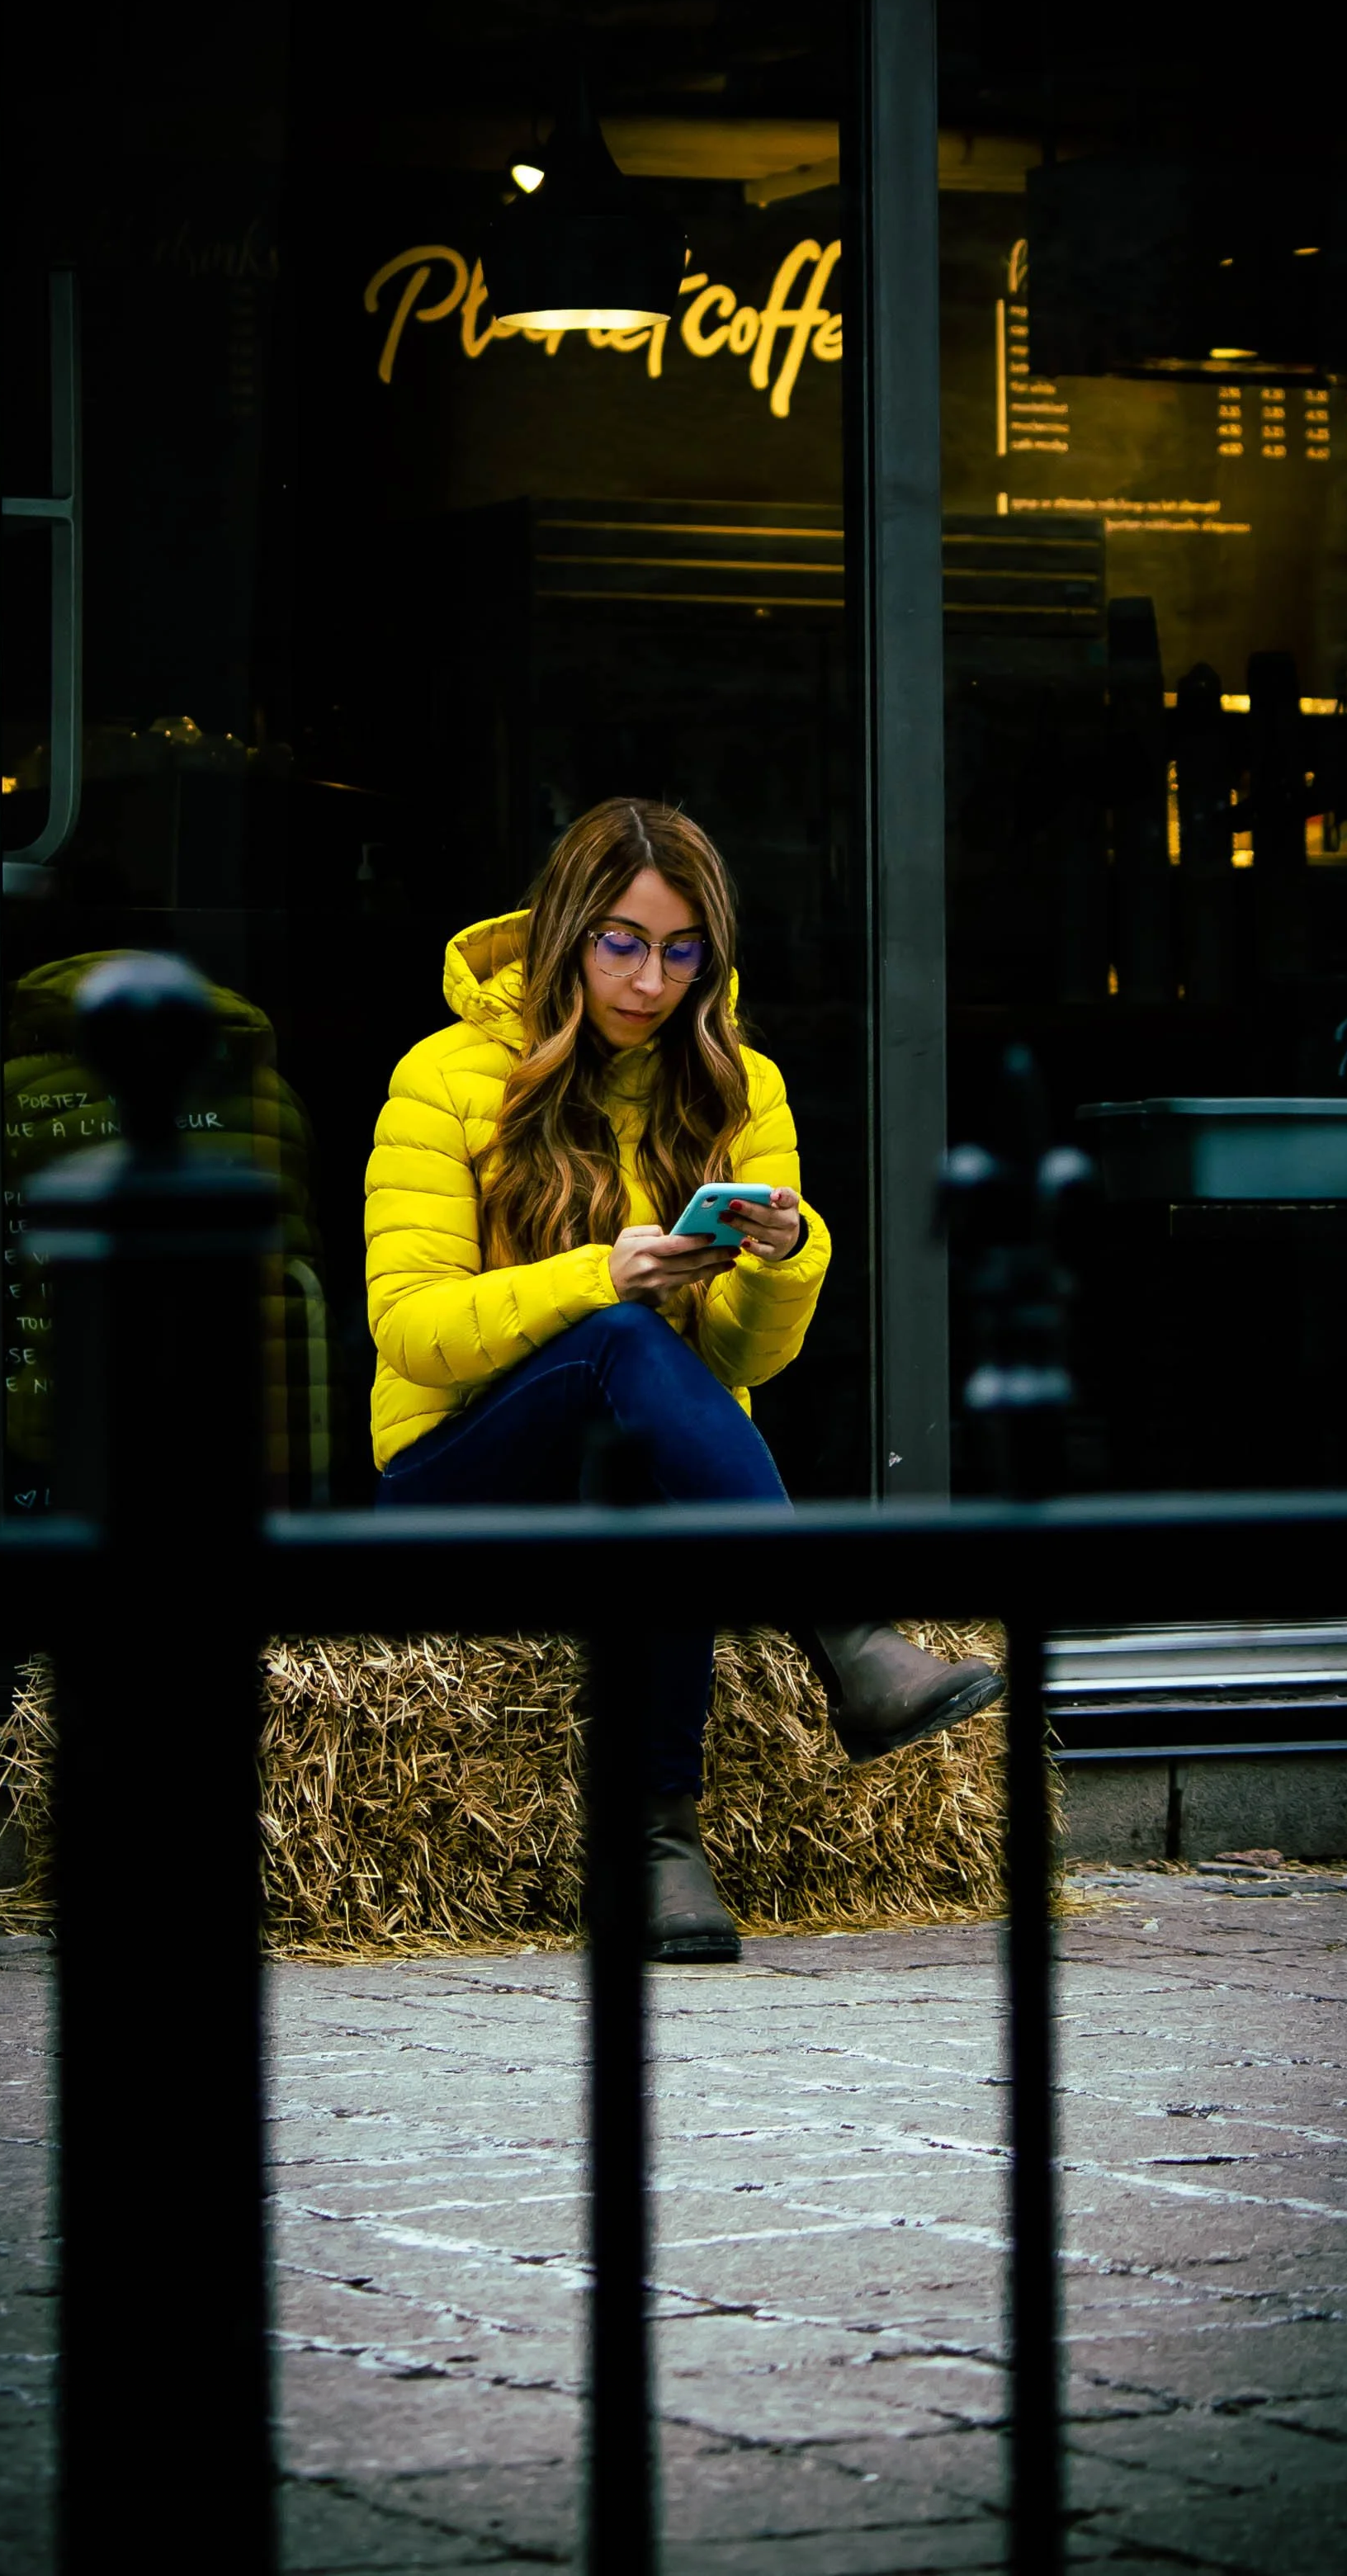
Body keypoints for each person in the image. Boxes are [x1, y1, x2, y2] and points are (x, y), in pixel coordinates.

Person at [364, 798, 1003, 1959]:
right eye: (620, 941)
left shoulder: (739, 1086)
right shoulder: (446, 1077)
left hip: (628, 1474)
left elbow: (747, 1363)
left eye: (679, 949)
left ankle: (656, 1848)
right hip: (455, 1477)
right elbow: (408, 1328)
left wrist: (781, 1257)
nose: (650, 979)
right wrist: (592, 1278)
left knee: (656, 1445)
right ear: (565, 932)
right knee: (620, 1338)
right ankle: (841, 1631)